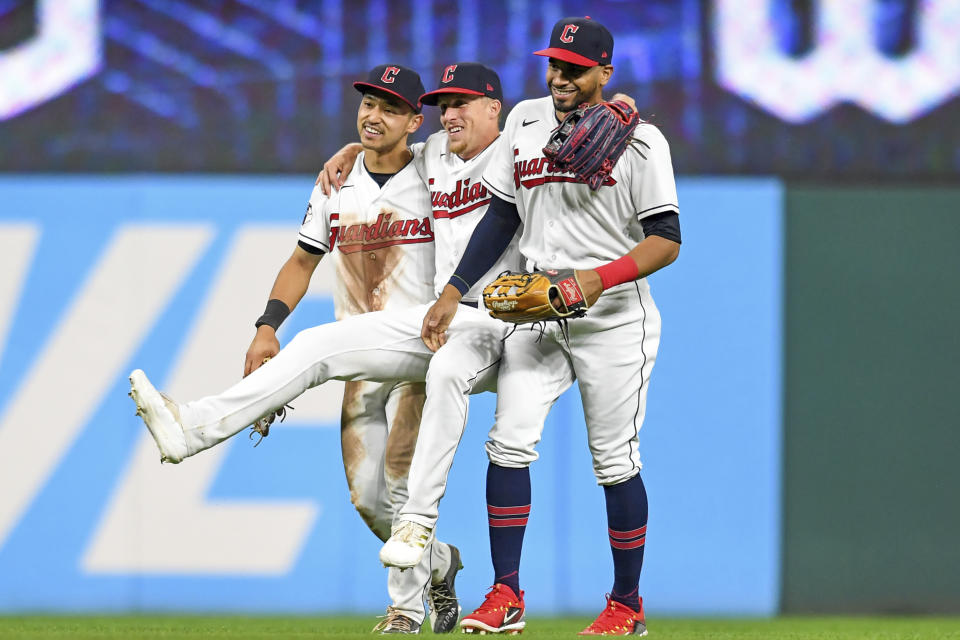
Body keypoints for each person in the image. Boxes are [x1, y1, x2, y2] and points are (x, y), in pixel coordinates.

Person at [128, 62, 518, 634]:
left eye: (389, 108)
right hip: (360, 352)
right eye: (367, 104)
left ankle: (405, 612)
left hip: (424, 346)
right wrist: (266, 325)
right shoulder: (338, 182)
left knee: (402, 478)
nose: (372, 115)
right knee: (370, 501)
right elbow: (302, 260)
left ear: (416, 122)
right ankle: (440, 563)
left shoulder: (437, 166)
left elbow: (489, 142)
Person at [380, 17, 682, 636]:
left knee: (614, 461)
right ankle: (506, 595)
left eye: (574, 67)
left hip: (613, 319)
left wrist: (594, 279)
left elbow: (667, 240)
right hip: (538, 310)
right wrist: (455, 290)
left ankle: (627, 605)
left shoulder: (643, 142)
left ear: (605, 71)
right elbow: (504, 211)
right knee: (508, 442)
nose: (560, 76)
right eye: (554, 64)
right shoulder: (524, 119)